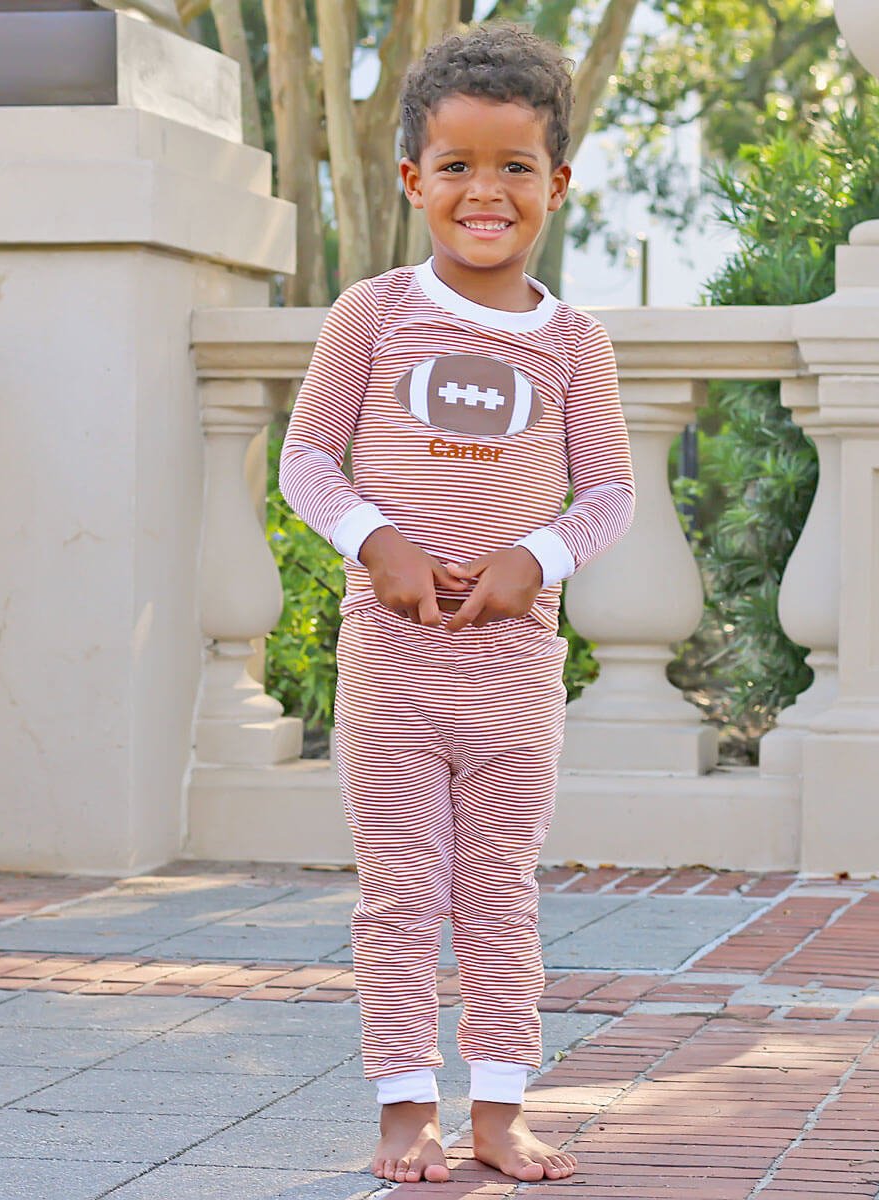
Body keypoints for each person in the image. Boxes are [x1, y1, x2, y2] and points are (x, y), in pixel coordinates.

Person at [278, 22, 634, 1185]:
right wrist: (375, 541)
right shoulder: (371, 315)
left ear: (558, 183)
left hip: (513, 675)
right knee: (398, 891)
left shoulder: (574, 343)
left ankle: (500, 1112)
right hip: (392, 665)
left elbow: (613, 492)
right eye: (460, 167)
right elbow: (306, 460)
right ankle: (401, 1110)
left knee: (497, 893)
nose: (487, 192)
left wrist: (535, 556)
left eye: (515, 166)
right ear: (413, 179)